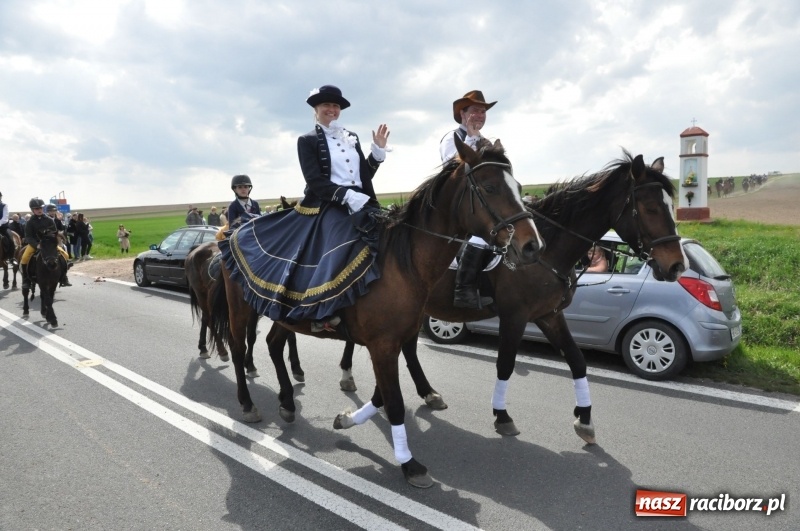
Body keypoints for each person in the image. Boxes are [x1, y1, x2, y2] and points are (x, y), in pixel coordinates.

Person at [218, 84, 389, 332]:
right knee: (339, 239)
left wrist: (377, 154)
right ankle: (321, 310)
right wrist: (346, 196)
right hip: (327, 204)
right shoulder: (307, 140)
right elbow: (315, 181)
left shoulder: (352, 137)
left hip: (361, 202)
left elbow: (363, 177)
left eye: (336, 106)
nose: (332, 109)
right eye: (326, 105)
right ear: (316, 109)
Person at [439, 90, 498, 309]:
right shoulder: (452, 138)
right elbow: (453, 172)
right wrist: (472, 140)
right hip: (459, 205)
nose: (480, 115)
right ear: (462, 113)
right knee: (482, 237)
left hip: (481, 205)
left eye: (483, 111)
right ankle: (464, 290)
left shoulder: (487, 141)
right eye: (475, 110)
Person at [20, 198, 72, 290]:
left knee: (65, 255)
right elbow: (28, 237)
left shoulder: (49, 220)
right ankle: (26, 280)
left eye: (40, 208)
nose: (39, 210)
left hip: (49, 244)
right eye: (36, 209)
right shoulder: (30, 222)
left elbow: (54, 233)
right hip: (35, 244)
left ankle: (64, 277)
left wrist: (53, 242)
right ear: (32, 210)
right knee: (24, 258)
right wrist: (37, 245)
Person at [45, 204, 73, 286]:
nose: (53, 212)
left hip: (56, 239)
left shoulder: (57, 220)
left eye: (54, 211)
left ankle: (66, 265)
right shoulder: (45, 220)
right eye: (51, 211)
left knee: (64, 246)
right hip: (47, 239)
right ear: (48, 212)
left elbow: (62, 228)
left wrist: (62, 223)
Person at [0, 191, 16, 264]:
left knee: (10, 239)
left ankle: (11, 257)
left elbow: (5, 218)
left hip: (3, 227)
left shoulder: (4, 206)